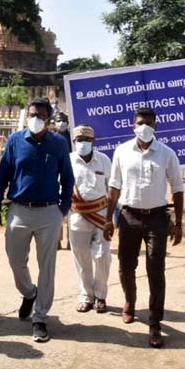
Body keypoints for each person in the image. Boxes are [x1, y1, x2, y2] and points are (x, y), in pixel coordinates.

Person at [0, 98, 74, 343]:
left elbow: (68, 179)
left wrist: (63, 209)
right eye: (31, 114)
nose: (34, 118)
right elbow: (3, 175)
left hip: (49, 213)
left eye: (39, 115)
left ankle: (40, 317)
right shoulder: (15, 141)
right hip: (19, 210)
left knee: (46, 266)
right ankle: (29, 292)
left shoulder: (58, 143)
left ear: (48, 118)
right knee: (15, 261)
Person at [104, 107, 184, 349]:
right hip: (129, 217)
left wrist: (178, 224)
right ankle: (129, 302)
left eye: (149, 123)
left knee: (155, 269)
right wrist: (109, 218)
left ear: (156, 126)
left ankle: (155, 323)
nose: (145, 127)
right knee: (126, 265)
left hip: (157, 219)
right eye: (141, 123)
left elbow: (178, 189)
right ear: (133, 126)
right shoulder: (122, 151)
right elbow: (114, 188)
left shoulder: (167, 154)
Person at [69, 124, 112, 314]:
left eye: (87, 140)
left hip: (101, 215)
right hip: (77, 215)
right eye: (79, 140)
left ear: (93, 141)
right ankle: (86, 296)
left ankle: (101, 295)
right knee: (81, 257)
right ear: (74, 141)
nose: (83, 143)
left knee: (102, 256)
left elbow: (112, 187)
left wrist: (112, 216)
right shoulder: (68, 160)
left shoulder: (103, 160)